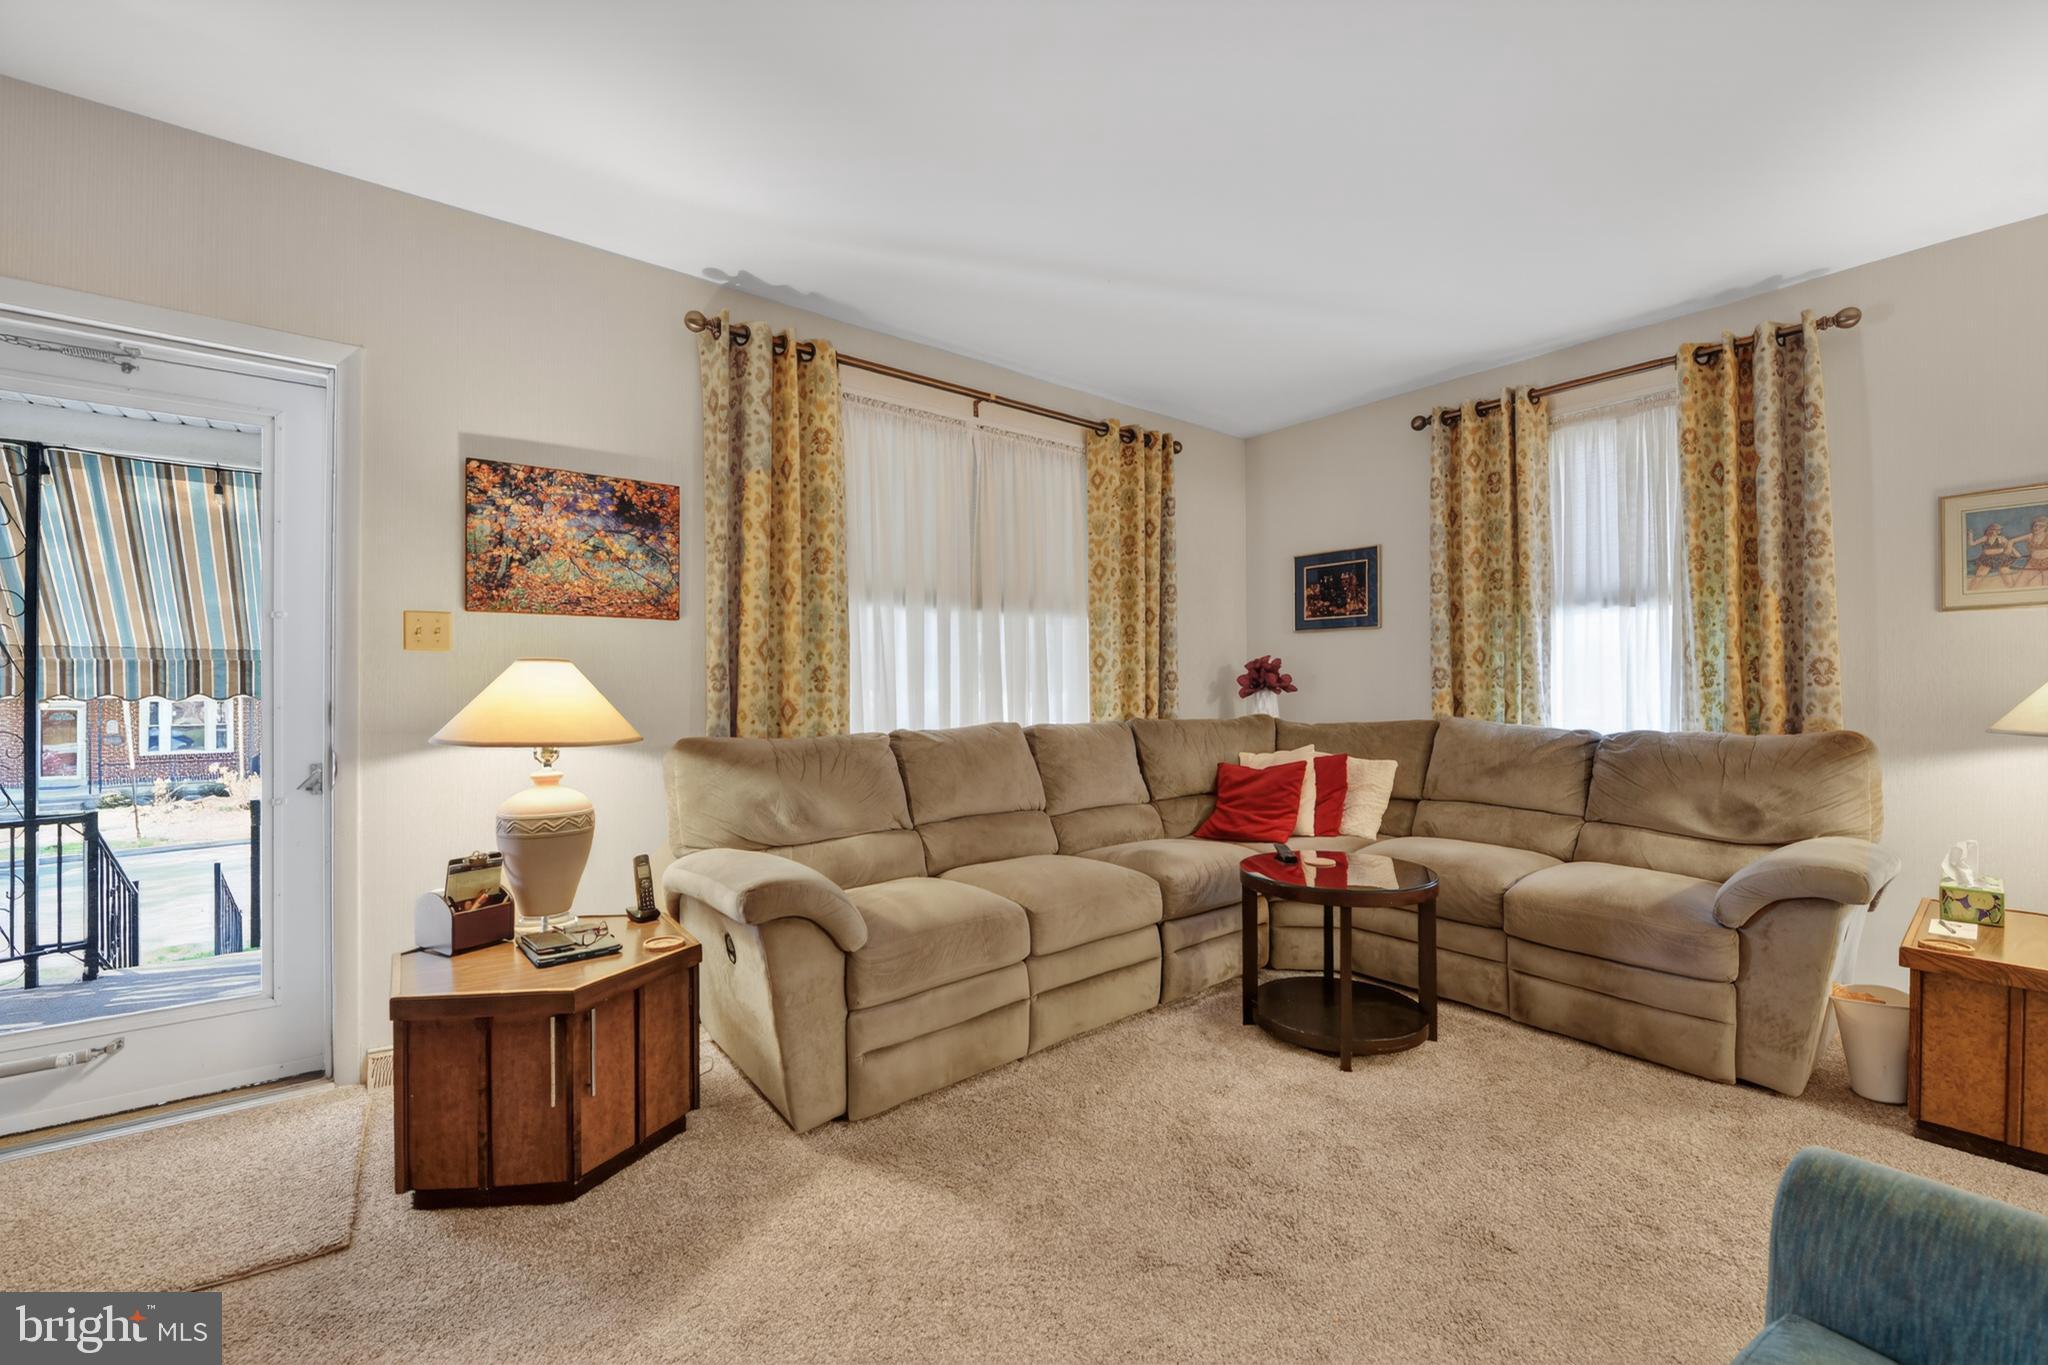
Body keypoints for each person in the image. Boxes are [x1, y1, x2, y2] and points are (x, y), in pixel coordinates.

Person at [1969, 521, 2019, 587]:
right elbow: (1971, 544)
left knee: (2008, 581)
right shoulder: (1985, 538)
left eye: (1998, 530)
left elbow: (2010, 547)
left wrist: (2017, 555)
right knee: (1977, 579)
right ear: (1990, 530)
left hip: (2001, 560)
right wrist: (1970, 534)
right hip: (1987, 561)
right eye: (1994, 530)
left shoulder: (2002, 538)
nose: (1996, 531)